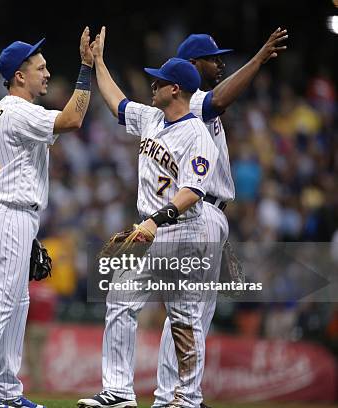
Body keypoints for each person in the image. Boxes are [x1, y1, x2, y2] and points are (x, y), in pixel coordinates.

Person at [0, 27, 94, 408]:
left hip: (11, 211)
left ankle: (5, 390)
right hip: (7, 211)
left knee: (16, 304)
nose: (46, 73)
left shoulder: (7, 111)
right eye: (40, 68)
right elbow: (72, 121)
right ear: (19, 76)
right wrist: (86, 68)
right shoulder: (16, 110)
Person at [77, 27, 218, 408]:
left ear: (175, 90)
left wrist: (156, 220)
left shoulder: (198, 136)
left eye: (158, 81)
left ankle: (187, 398)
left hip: (181, 230)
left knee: (184, 317)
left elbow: (193, 192)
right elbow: (117, 103)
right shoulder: (152, 118)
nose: (151, 84)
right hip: (147, 228)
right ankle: (119, 392)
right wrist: (97, 64)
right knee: (120, 300)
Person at [152, 28, 287, 408]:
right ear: (193, 66)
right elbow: (221, 98)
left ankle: (177, 394)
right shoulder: (188, 104)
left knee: (193, 310)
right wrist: (258, 60)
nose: (219, 62)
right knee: (187, 309)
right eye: (212, 58)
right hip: (197, 210)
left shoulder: (186, 107)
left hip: (207, 212)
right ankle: (174, 396)